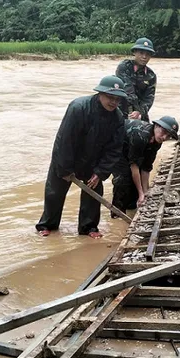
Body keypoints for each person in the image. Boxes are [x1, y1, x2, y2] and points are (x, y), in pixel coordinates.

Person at [35, 75, 127, 239]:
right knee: (54, 193)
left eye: (117, 99)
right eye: (110, 97)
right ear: (100, 94)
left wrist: (100, 172)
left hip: (93, 161)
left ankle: (88, 227)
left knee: (93, 193)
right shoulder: (79, 108)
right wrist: (64, 169)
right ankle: (47, 225)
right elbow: (65, 140)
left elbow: (114, 149)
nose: (113, 102)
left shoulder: (118, 118)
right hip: (68, 157)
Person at [111, 115, 179, 216]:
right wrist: (141, 192)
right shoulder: (141, 136)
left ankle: (131, 207)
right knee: (123, 179)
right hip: (114, 146)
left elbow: (145, 168)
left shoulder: (157, 141)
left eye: (168, 136)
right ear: (156, 126)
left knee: (136, 185)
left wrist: (145, 193)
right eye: (164, 132)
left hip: (128, 147)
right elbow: (134, 167)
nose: (164, 137)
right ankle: (117, 214)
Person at [116, 37, 157, 122]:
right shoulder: (124, 67)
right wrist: (133, 112)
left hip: (139, 113)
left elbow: (149, 98)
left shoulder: (151, 75)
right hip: (120, 109)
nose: (144, 57)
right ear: (134, 52)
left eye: (148, 54)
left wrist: (139, 112)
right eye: (141, 53)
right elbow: (128, 90)